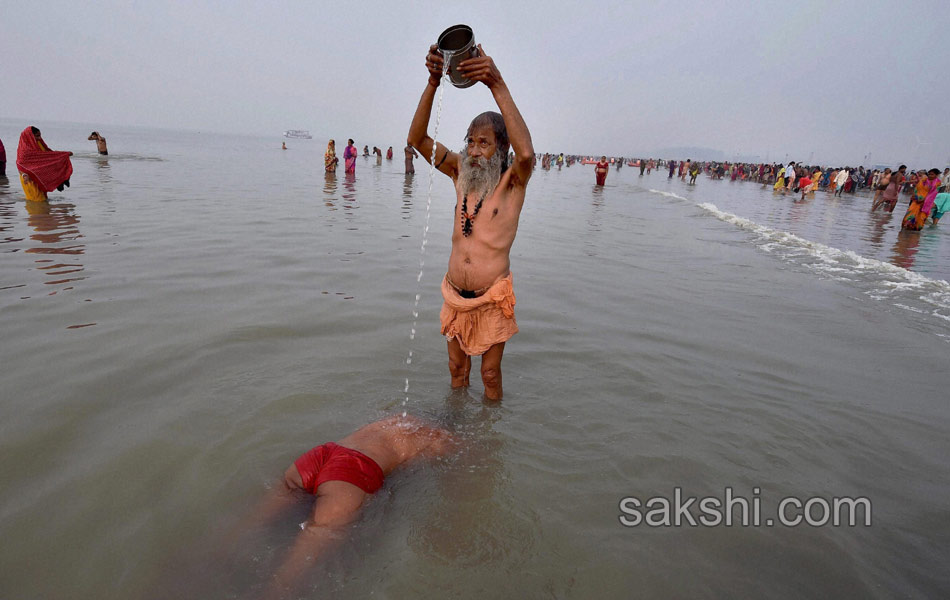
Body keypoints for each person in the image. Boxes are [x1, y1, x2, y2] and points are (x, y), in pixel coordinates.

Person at [408, 42, 534, 400]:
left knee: (490, 375)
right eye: (471, 142)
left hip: (491, 297)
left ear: (501, 148)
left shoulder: (514, 182)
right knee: (456, 370)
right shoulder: (459, 171)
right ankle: (456, 433)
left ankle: (489, 445)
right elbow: (416, 139)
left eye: (485, 143)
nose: (476, 151)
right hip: (454, 295)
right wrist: (433, 82)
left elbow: (527, 152)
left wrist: (497, 83)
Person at [261, 414, 457, 598]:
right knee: (290, 576)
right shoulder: (440, 437)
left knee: (247, 528)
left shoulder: (397, 419)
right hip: (351, 471)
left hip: (321, 455)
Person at [16, 126, 73, 202]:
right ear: (29, 136)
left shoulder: (39, 144)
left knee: (43, 200)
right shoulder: (24, 150)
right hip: (28, 178)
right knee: (37, 201)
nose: (39, 138)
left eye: (40, 135)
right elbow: (20, 164)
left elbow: (48, 156)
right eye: (37, 136)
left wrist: (63, 154)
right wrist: (23, 174)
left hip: (39, 177)